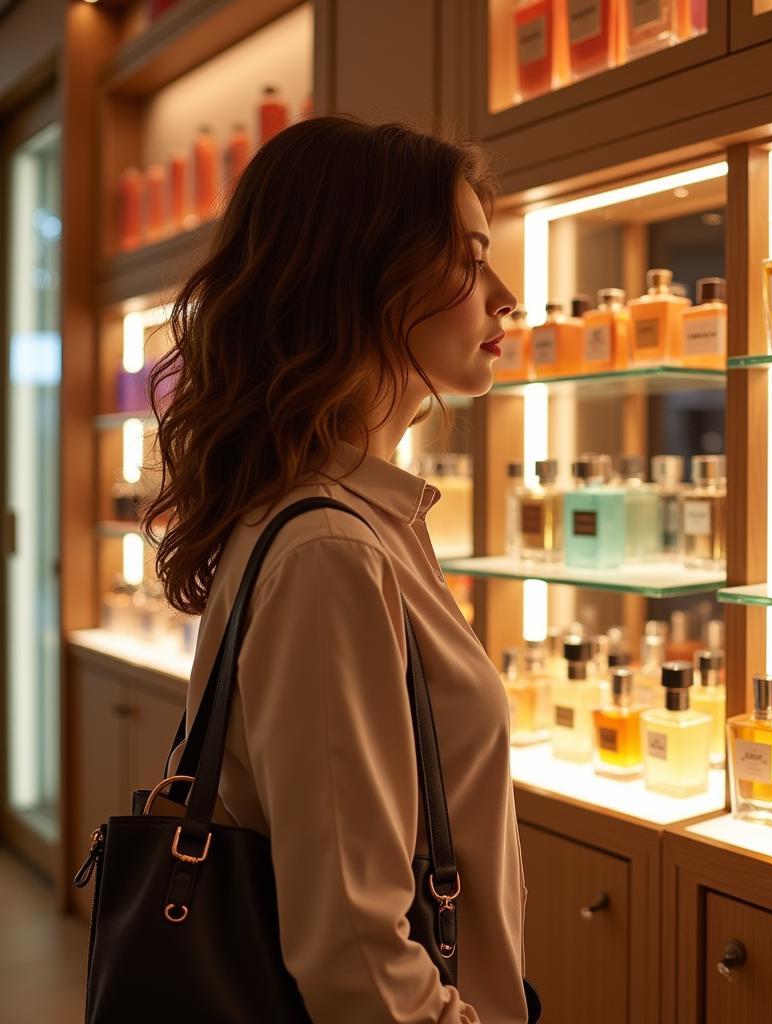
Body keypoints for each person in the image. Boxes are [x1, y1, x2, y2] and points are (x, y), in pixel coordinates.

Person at [143, 115, 528, 1022]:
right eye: (469, 260)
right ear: (362, 277)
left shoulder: (354, 519)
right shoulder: (333, 550)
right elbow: (358, 965)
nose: (505, 294)